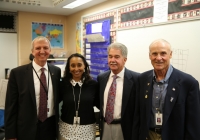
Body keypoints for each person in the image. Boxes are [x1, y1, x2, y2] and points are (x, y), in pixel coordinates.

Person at [132, 39, 200, 140]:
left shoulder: (188, 83)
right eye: (154, 54)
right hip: (148, 136)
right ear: (149, 56)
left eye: (163, 53)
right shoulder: (142, 79)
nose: (158, 58)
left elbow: (193, 123)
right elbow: (137, 115)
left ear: (170, 54)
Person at [4, 36, 61, 140]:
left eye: (45, 48)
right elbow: (10, 106)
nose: (42, 51)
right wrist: (10, 135)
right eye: (38, 48)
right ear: (32, 51)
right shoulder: (17, 73)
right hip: (26, 129)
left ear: (50, 50)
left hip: (50, 127)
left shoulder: (56, 71)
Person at [97, 42, 139, 140]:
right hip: (105, 125)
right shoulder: (101, 78)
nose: (112, 60)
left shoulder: (136, 79)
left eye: (116, 57)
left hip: (124, 128)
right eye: (110, 56)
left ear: (125, 60)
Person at [58, 53, 99, 140]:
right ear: (69, 68)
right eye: (72, 65)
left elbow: (99, 104)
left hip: (88, 130)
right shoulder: (62, 84)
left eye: (79, 65)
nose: (76, 69)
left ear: (84, 66)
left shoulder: (93, 85)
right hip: (66, 129)